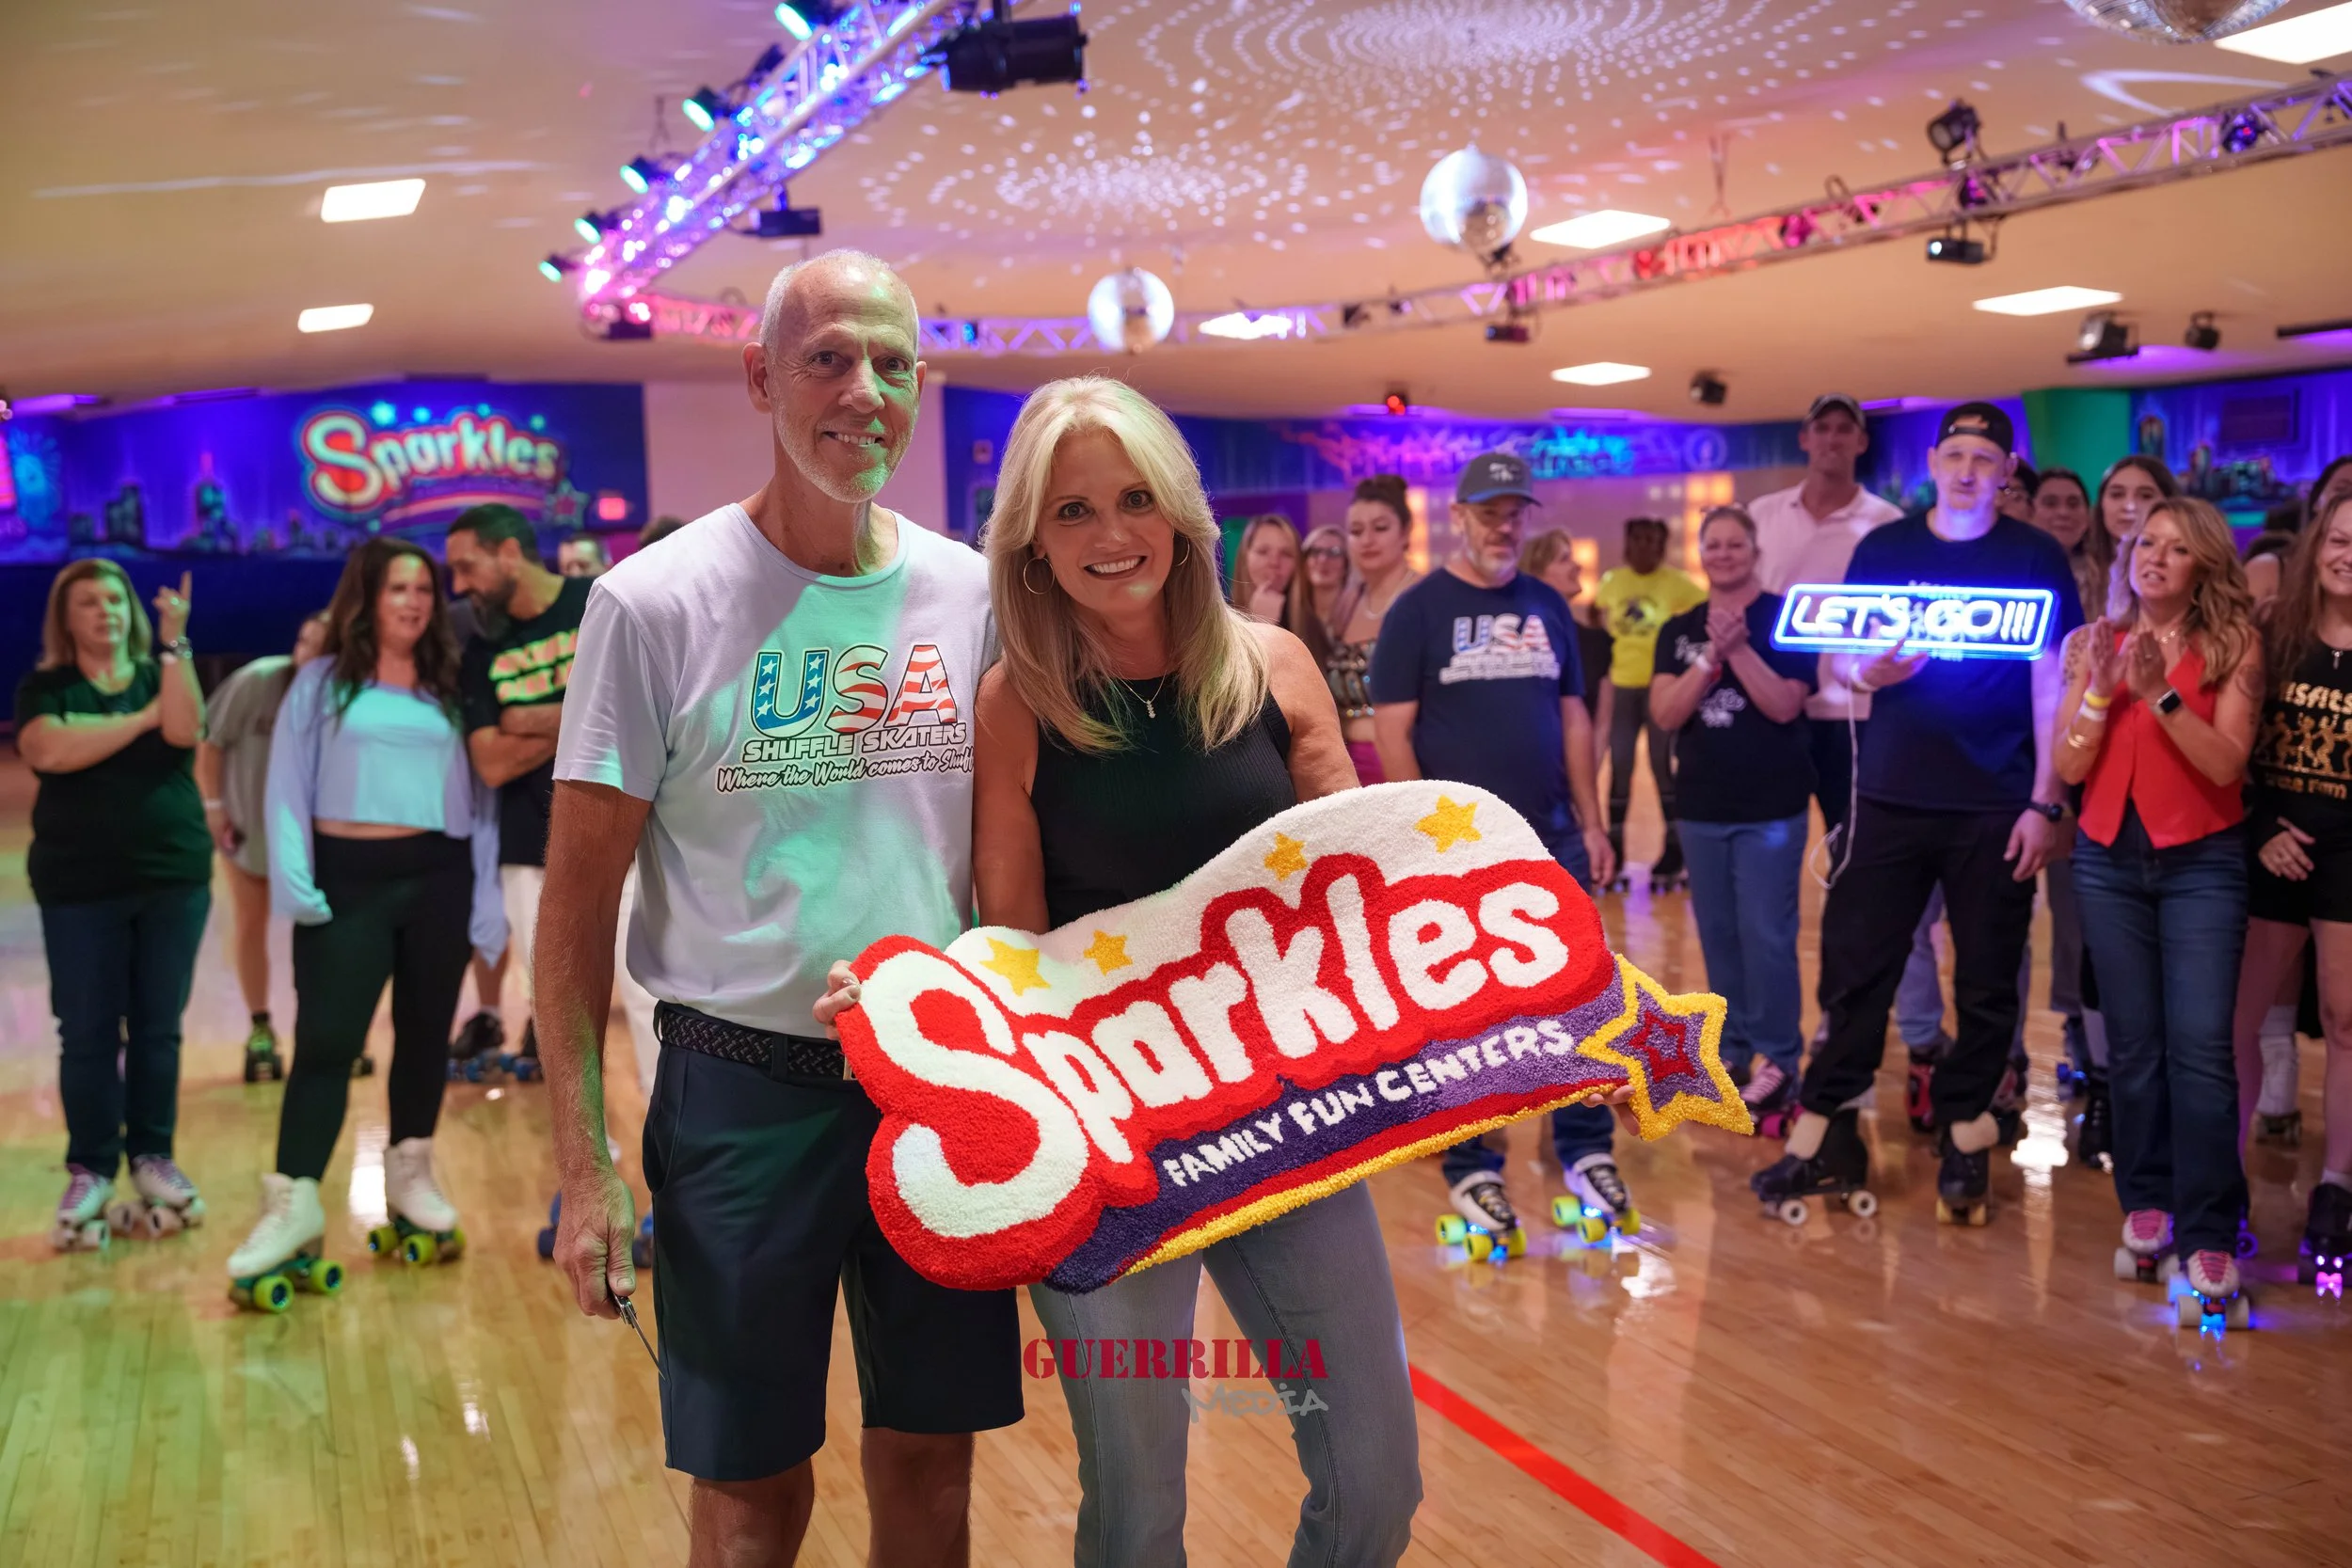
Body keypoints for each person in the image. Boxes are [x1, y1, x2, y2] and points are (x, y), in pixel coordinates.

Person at [540, 251, 1015, 1566]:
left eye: (894, 365)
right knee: (752, 1495)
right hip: (738, 1095)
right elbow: (573, 914)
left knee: (932, 1466)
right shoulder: (650, 604)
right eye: (828, 359)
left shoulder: (971, 593)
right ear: (759, 376)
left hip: (939, 1084)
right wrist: (586, 1174)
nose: (866, 392)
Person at [961, 374, 1422, 1568]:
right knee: (1135, 1505)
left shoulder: (1274, 667)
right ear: (1028, 541)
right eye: (1070, 512)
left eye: (1133, 500)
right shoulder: (1018, 704)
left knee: (1375, 1474)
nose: (1111, 537)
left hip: (1289, 1117)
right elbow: (1009, 945)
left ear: (1180, 511)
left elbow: (1361, 890)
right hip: (1103, 1139)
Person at [1752, 403, 2081, 1226]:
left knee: (1986, 975)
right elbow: (1845, 665)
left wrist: (2047, 799)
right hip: (1890, 796)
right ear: (1933, 460)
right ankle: (1828, 1131)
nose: (1968, 469)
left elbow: (2053, 686)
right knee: (1855, 969)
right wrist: (1873, 674)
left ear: (2007, 472)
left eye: (1986, 457)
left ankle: (1968, 1136)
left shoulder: (2034, 554)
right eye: (1956, 453)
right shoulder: (1887, 548)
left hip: (1995, 802)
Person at [225, 540, 505, 1297]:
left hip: (438, 878)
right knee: (326, 1044)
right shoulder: (319, 683)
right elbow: (285, 787)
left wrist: (483, 896)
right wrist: (294, 882)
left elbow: (479, 803)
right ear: (367, 598)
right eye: (397, 588)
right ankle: (293, 1197)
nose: (413, 601)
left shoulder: (449, 684)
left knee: (422, 1038)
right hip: (346, 883)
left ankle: (411, 1172)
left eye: (423, 587)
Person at [1371, 451, 1631, 1247]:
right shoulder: (1419, 611)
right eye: (1488, 511)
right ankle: (1472, 1164)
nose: (1502, 524)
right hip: (1459, 852)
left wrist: (1592, 819)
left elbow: (1576, 718)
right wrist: (1422, 834)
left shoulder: (1548, 604)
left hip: (1551, 836)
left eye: (1514, 510)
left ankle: (1585, 1151)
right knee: (1468, 1015)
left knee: (1575, 999)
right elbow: (1393, 730)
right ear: (1459, 515)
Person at [2055, 497, 2261, 1309]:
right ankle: (2147, 1200)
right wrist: (2104, 693)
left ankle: (2209, 1233)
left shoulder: (2233, 647)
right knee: (2133, 1048)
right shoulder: (2091, 643)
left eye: (2176, 549)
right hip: (2107, 860)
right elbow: (2070, 769)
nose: (2155, 558)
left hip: (2202, 863)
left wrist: (2162, 696)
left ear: (2202, 565)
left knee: (2201, 1050)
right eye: (2147, 544)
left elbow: (2225, 765)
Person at [18, 562, 210, 1249]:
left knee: (159, 1028)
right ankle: (92, 1165)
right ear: (65, 619)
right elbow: (49, 749)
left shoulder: (165, 672)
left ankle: (153, 1155)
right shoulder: (46, 686)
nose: (104, 612)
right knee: (89, 1030)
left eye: (113, 599)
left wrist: (174, 642)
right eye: (87, 603)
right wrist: (141, 720)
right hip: (78, 887)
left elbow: (186, 729)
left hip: (172, 878)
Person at [1650, 506, 1817, 1133]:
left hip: (1770, 807)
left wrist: (1737, 648)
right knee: (1718, 934)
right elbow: (1666, 715)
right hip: (1701, 807)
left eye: (1734, 544)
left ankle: (1780, 1055)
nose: (1723, 553)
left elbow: (1782, 704)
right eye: (1712, 544)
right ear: (1702, 554)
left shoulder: (1784, 618)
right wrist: (1706, 659)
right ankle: (1735, 1047)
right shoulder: (1678, 628)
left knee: (1768, 934)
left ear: (1754, 550)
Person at [2232, 491, 2352, 1285]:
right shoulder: (2274, 632)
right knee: (2235, 1022)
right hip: (2272, 845)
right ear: (2319, 543)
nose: (2349, 553)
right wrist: (2264, 828)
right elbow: (2235, 747)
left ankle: (2336, 1186)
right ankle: (2221, 1176)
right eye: (2340, 538)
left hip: (2349, 856)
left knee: (2347, 1022)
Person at [445, 503, 594, 1077]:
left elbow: (640, 709)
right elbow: (490, 763)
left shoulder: (599, 603)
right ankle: (586, 1163)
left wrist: (524, 718)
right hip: (527, 851)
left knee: (650, 1001)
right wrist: (584, 712)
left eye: (466, 566)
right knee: (558, 1016)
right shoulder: (481, 651)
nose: (459, 586)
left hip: (632, 837)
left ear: (509, 553)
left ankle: (670, 1161)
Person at [1751, 392, 1905, 838]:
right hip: (1776, 709)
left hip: (1855, 714)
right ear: (1804, 439)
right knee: (1773, 848)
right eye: (1822, 428)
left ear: (1861, 442)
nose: (1832, 439)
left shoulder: (1889, 524)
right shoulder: (1762, 516)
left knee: (1855, 848)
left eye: (1844, 429)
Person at [196, 610, 330, 1082]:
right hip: (248, 828)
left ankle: (327, 1032)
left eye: (322, 645)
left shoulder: (345, 697)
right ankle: (260, 1028)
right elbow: (209, 745)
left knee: (322, 933)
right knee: (251, 923)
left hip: (316, 838)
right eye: (304, 641)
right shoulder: (256, 681)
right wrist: (214, 808)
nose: (308, 653)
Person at [2025, 466, 2108, 1134]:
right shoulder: (2021, 570)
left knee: (2085, 915)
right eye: (2047, 501)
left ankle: (2097, 1042)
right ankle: (2075, 1029)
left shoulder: (2117, 573)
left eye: (2071, 501)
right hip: (2030, 766)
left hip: (2099, 768)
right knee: (2057, 909)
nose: (2060, 511)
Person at [1594, 515, 1705, 890]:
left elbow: (1703, 615)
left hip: (1661, 687)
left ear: (1663, 546)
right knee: (1620, 765)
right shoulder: (1612, 582)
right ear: (1626, 545)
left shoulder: (1679, 585)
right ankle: (1615, 848)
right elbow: (1596, 613)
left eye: (1652, 541)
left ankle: (1674, 851)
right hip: (1623, 686)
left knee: (1662, 767)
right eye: (1637, 540)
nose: (1644, 548)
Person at [1329, 474, 1420, 784]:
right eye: (1356, 531)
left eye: (1380, 528)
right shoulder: (1347, 601)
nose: (1367, 539)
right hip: (1344, 766)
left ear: (1406, 532)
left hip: (1406, 762)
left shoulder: (1425, 599)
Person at [1523, 527, 1616, 735]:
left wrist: (1586, 767)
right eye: (1564, 559)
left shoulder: (1598, 642)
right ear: (1536, 573)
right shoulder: (1514, 642)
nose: (1578, 566)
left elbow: (1602, 723)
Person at [2090, 455, 2179, 618]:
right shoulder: (2079, 571)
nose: (2129, 506)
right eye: (2117, 495)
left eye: (2145, 496)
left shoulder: (2180, 570)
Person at [1289, 521, 1354, 671]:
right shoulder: (1292, 614)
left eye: (1334, 552)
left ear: (1347, 564)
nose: (1323, 560)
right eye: (1315, 552)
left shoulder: (1355, 613)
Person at [1230, 512, 1300, 625]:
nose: (1274, 562)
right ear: (1245, 557)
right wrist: (1262, 623)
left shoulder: (1311, 624)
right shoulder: (1221, 619)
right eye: (1263, 552)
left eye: (1286, 554)